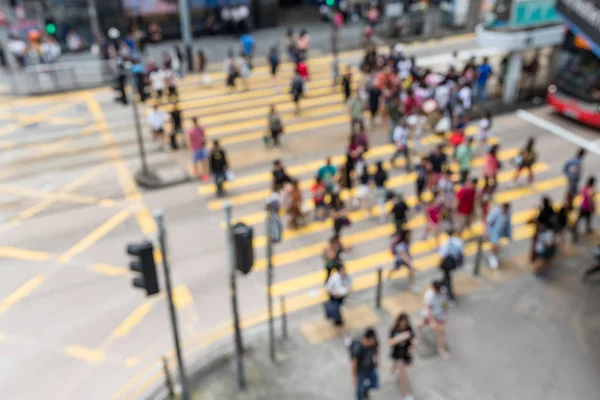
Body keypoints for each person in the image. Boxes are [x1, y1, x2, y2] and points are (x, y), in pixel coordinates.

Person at [418, 280, 449, 358]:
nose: (438, 291)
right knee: (421, 324)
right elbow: (428, 309)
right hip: (430, 314)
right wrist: (432, 321)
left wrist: (445, 311)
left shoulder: (443, 291)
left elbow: (445, 302)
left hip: (439, 314)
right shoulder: (429, 295)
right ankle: (417, 332)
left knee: (441, 331)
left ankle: (441, 349)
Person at [389, 314, 416, 400]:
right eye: (402, 321)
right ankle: (406, 394)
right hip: (397, 354)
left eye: (405, 321)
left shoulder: (409, 329)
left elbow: (413, 339)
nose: (403, 323)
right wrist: (401, 337)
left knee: (400, 370)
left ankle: (393, 372)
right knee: (402, 374)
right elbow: (390, 342)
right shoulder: (394, 330)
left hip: (405, 354)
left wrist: (412, 344)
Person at [351, 328, 379, 400]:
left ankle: (365, 390)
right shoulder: (358, 348)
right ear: (366, 339)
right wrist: (354, 376)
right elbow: (354, 363)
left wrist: (377, 361)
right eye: (372, 341)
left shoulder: (373, 343)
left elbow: (376, 351)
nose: (374, 342)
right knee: (360, 389)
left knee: (375, 384)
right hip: (361, 372)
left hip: (371, 368)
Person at [325, 265, 352, 341]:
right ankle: (344, 334)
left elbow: (350, 285)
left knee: (338, 311)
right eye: (342, 271)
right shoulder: (334, 279)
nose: (344, 272)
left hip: (342, 298)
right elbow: (327, 288)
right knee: (339, 318)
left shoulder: (348, 277)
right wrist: (334, 293)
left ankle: (335, 320)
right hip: (335, 298)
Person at [438, 228, 464, 302]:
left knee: (447, 277)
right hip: (454, 262)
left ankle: (449, 294)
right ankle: (442, 284)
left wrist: (439, 264)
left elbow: (443, 255)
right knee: (447, 276)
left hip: (447, 263)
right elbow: (461, 253)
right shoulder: (458, 241)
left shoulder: (445, 242)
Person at [485, 203, 513, 269]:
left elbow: (508, 225)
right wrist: (487, 232)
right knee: (495, 245)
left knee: (496, 246)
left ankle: (493, 257)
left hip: (500, 233)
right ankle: (492, 258)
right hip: (493, 232)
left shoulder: (507, 214)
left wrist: (509, 235)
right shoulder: (496, 212)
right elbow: (489, 222)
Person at [572, 176, 596, 242]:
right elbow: (590, 199)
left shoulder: (584, 187)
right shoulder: (591, 189)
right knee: (588, 219)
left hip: (583, 206)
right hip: (587, 207)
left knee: (581, 219)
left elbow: (580, 194)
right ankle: (587, 229)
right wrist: (592, 207)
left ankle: (578, 229)